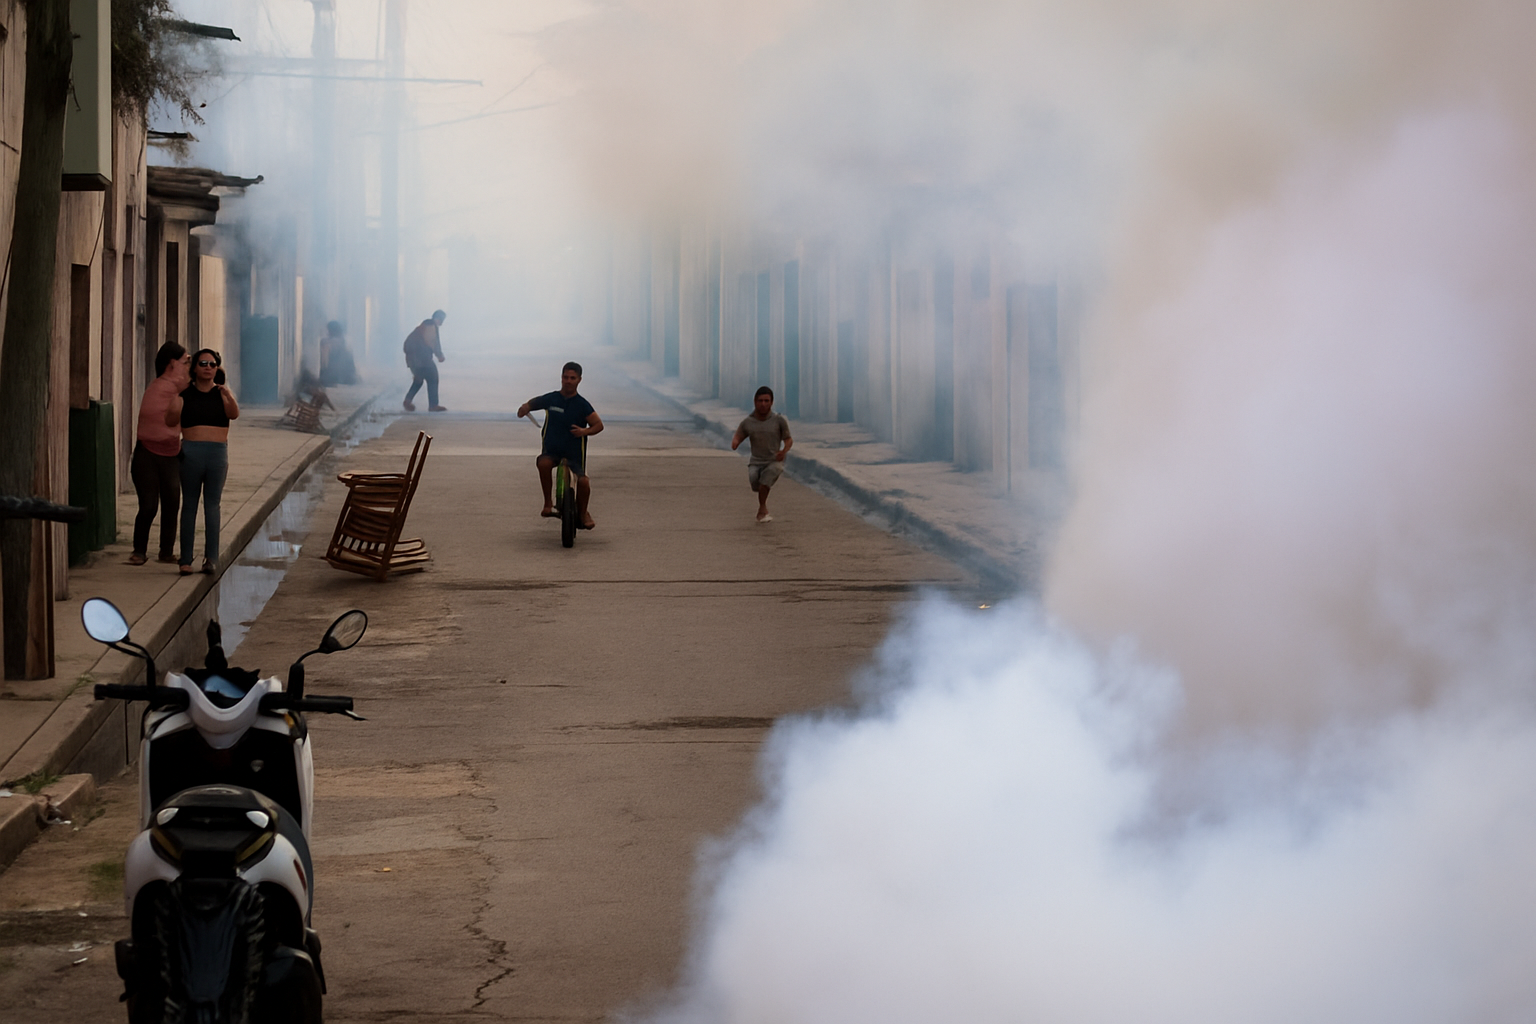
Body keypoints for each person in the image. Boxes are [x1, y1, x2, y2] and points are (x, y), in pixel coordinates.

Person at [166, 348, 240, 576]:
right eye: (203, 363)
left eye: (212, 363)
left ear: (217, 368)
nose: (208, 367)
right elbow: (170, 421)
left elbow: (234, 414)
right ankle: (185, 559)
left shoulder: (222, 393)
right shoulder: (185, 394)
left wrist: (227, 395)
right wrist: (175, 404)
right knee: (189, 506)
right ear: (194, 368)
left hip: (217, 453)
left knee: (212, 506)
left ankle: (211, 558)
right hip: (191, 452)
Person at [516, 361, 605, 530]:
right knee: (542, 464)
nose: (568, 381)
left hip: (574, 455)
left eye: (573, 378)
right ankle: (548, 503)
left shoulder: (582, 404)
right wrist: (524, 408)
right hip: (552, 451)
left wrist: (584, 432)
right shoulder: (552, 398)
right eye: (565, 377)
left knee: (584, 483)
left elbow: (598, 425)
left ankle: (583, 513)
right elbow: (532, 404)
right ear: (561, 378)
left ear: (579, 380)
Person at [128, 342, 191, 565]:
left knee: (172, 503)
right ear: (172, 364)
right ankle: (139, 550)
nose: (188, 368)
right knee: (149, 505)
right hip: (147, 453)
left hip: (171, 454)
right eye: (185, 362)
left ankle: (166, 551)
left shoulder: (179, 389)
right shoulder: (163, 387)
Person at [731, 385, 793, 523]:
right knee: (755, 483)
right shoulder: (748, 422)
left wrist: (784, 451)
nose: (763, 404)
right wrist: (735, 442)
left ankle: (762, 509)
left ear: (771, 402)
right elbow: (739, 434)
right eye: (760, 401)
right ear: (755, 402)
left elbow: (788, 439)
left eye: (766, 401)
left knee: (766, 481)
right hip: (756, 461)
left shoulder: (779, 421)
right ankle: (762, 505)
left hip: (774, 461)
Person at [403, 309, 447, 412]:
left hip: (413, 359)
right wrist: (439, 355)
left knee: (418, 380)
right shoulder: (430, 326)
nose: (442, 322)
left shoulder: (423, 326)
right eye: (441, 320)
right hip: (421, 359)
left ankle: (407, 401)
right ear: (438, 319)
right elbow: (432, 342)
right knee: (433, 377)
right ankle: (433, 405)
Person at [319, 320, 358, 386]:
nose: (327, 332)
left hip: (337, 376)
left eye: (328, 330)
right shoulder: (344, 341)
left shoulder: (329, 342)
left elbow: (324, 363)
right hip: (346, 377)